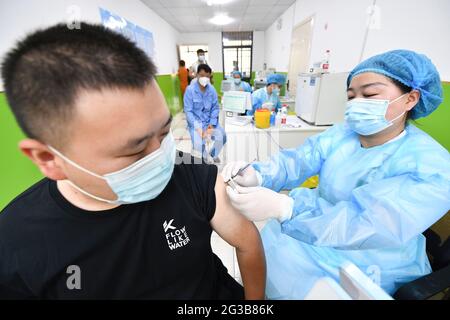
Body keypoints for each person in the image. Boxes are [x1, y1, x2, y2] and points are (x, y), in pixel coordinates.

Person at [0, 23, 265, 299]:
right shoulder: (15, 244)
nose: (162, 158)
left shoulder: (196, 177)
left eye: (164, 133)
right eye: (134, 150)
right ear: (49, 159)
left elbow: (247, 242)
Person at [222, 49, 450, 299]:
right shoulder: (342, 134)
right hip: (310, 230)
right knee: (269, 258)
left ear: (411, 99)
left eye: (370, 94)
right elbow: (299, 160)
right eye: (351, 96)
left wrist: (287, 209)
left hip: (373, 257)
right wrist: (259, 174)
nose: (357, 103)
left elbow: (369, 223)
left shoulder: (432, 165)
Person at [184, 64, 227, 163]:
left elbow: (215, 108)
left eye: (207, 76)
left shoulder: (212, 90)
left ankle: (213, 154)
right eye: (202, 75)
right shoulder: (190, 90)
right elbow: (188, 111)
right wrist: (198, 128)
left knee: (222, 136)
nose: (204, 78)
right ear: (197, 75)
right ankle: (204, 160)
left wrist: (211, 125)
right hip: (196, 124)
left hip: (209, 122)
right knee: (199, 146)